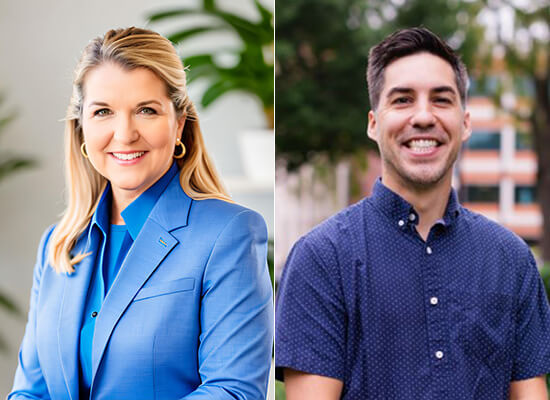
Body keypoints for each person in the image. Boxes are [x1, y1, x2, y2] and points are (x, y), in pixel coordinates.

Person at [275, 27, 550, 399]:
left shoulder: (511, 259)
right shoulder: (321, 259)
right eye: (403, 100)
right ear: (374, 124)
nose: (423, 117)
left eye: (441, 100)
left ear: (465, 122)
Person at [9, 27, 273, 400]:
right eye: (103, 112)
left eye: (146, 110)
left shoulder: (228, 234)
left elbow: (234, 391)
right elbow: (30, 392)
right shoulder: (57, 246)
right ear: (82, 127)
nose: (125, 133)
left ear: (178, 123)